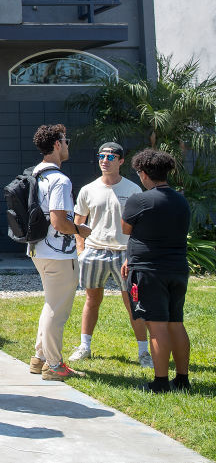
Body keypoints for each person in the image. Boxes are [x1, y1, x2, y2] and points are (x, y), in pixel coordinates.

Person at [68, 142, 150, 367]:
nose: (105, 160)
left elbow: (140, 225)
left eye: (111, 157)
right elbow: (79, 220)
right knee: (92, 300)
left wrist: (133, 254)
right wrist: (81, 249)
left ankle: (144, 352)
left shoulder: (132, 190)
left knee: (133, 302)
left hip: (124, 254)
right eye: (101, 156)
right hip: (94, 251)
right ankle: (84, 346)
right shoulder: (88, 189)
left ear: (121, 161)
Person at [121, 149, 192, 393]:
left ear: (143, 173)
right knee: (176, 322)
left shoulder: (139, 200)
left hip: (149, 270)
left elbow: (126, 228)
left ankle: (160, 382)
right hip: (178, 268)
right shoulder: (181, 199)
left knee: (156, 326)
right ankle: (182, 379)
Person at [27, 124, 90, 381]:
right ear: (56, 144)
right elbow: (58, 221)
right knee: (58, 309)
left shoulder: (35, 174)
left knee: (50, 303)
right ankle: (54, 365)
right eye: (66, 141)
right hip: (58, 253)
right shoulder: (60, 180)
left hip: (38, 249)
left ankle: (39, 357)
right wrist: (79, 230)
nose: (67, 145)